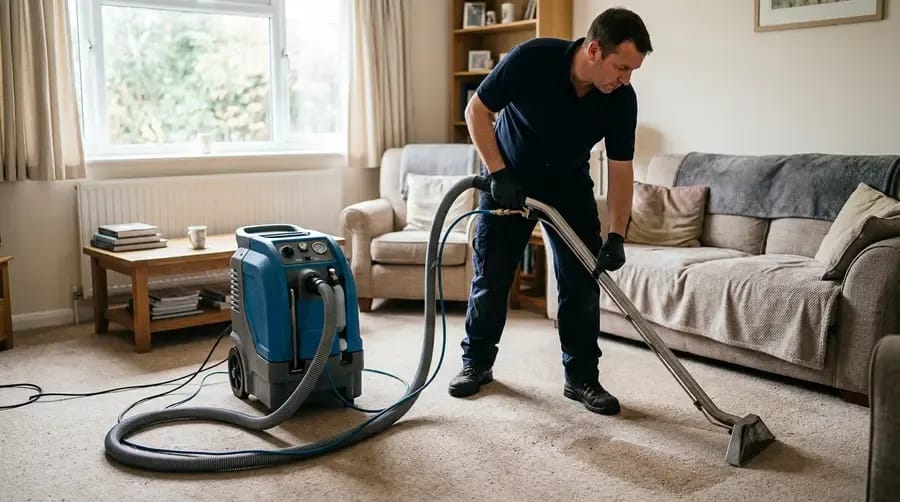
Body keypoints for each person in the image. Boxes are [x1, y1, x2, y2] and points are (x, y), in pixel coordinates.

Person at [448, 8, 653, 416]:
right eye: (621, 66)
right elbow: (477, 112)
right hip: (509, 179)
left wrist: (616, 234)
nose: (626, 78)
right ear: (594, 50)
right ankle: (477, 363)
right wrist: (498, 172)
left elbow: (621, 168)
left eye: (633, 70)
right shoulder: (531, 58)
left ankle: (581, 379)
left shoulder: (620, 99)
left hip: (568, 186)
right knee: (492, 277)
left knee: (580, 282)